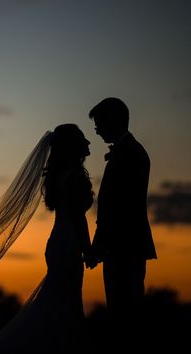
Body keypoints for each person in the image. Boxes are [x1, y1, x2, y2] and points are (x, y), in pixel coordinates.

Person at [0, 124, 94, 353]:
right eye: (81, 140)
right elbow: (77, 218)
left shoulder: (58, 175)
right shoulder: (74, 176)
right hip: (68, 243)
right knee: (65, 303)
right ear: (72, 146)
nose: (86, 144)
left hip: (57, 242)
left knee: (57, 301)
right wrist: (88, 249)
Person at [88, 97, 157, 325]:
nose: (96, 131)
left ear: (114, 120)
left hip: (125, 246)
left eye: (99, 123)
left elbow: (121, 208)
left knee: (125, 316)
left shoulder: (131, 154)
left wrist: (100, 243)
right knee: (120, 313)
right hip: (120, 246)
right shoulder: (126, 152)